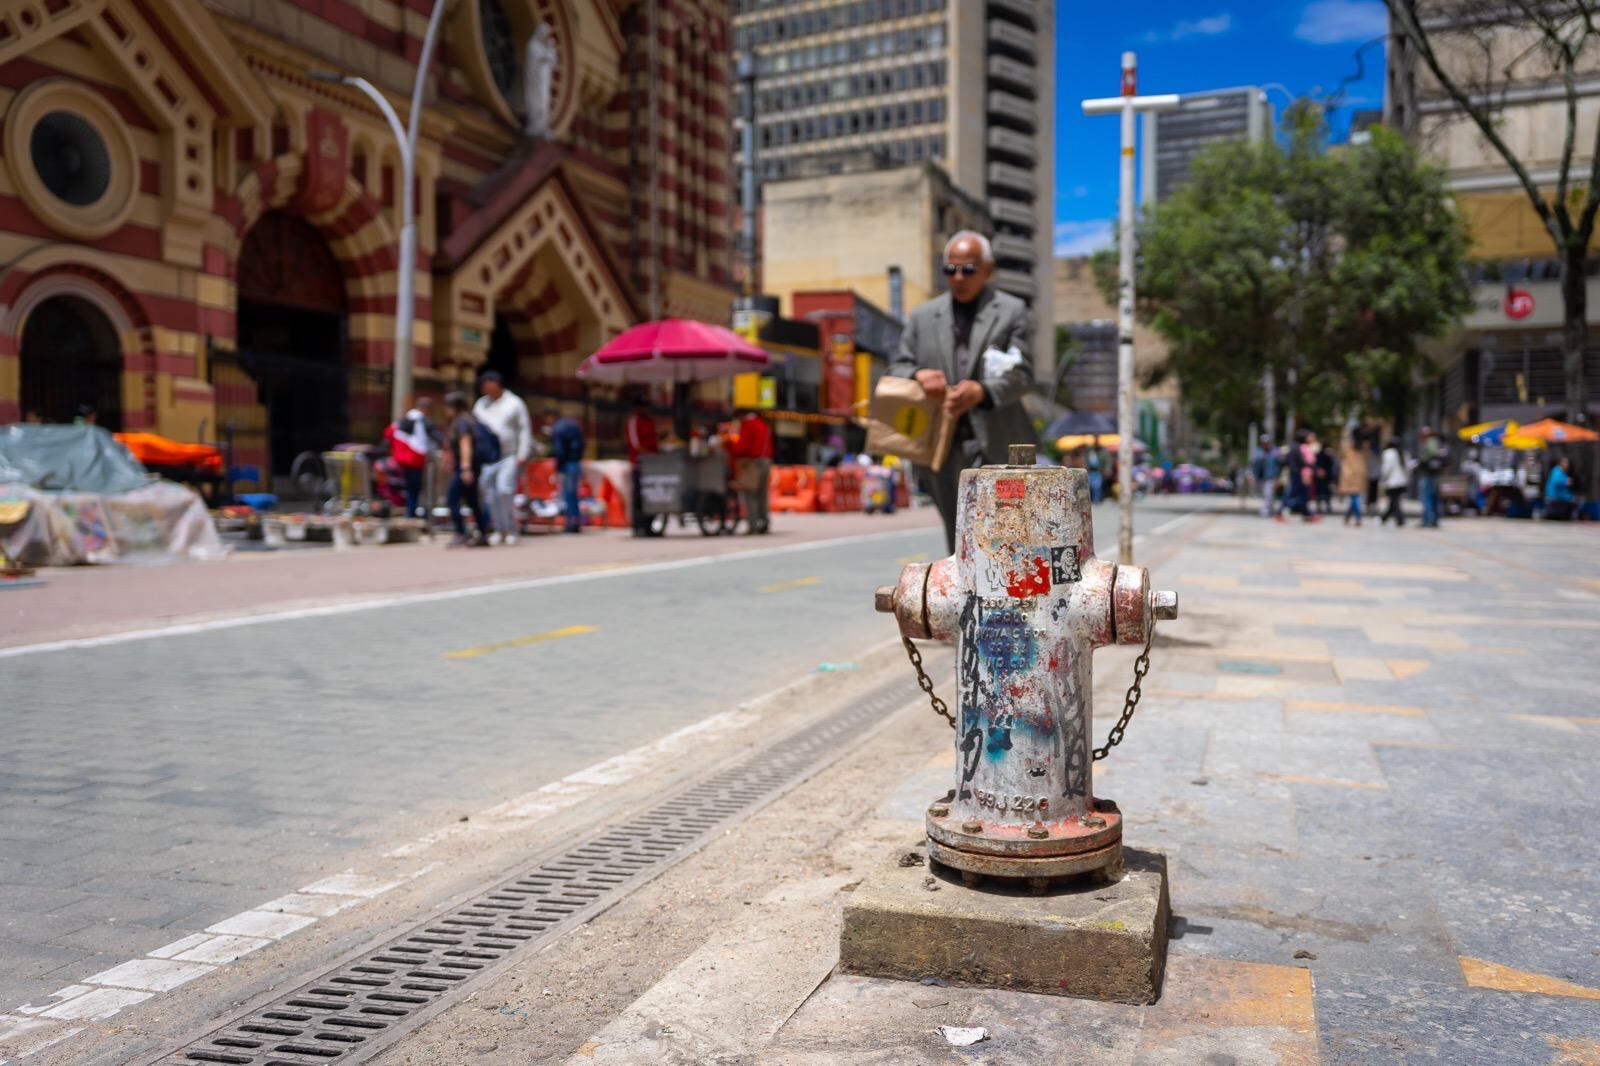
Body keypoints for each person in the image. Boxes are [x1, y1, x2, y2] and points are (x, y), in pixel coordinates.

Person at [886, 230, 1034, 552]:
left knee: (1004, 535)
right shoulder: (922, 316)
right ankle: (966, 599)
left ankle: (1001, 598)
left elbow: (1023, 374)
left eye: (967, 269)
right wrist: (918, 374)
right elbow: (896, 367)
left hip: (996, 442)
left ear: (988, 270)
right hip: (941, 445)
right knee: (958, 537)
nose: (958, 277)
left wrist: (982, 391)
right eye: (950, 270)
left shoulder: (1011, 310)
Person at [473, 371, 532, 544]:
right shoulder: (481, 404)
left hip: (508, 456)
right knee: (489, 494)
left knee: (504, 491)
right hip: (487, 458)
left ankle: (511, 528)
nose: (483, 387)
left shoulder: (514, 403)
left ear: (496, 383)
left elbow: (524, 429)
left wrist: (522, 453)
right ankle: (498, 529)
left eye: (486, 383)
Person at [443, 392, 490, 547]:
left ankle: (461, 532)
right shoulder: (469, 419)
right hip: (471, 467)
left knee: (452, 499)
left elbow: (465, 445)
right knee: (473, 501)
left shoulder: (462, 422)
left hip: (466, 468)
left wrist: (465, 468)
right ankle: (482, 533)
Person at [385, 396, 438, 519]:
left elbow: (389, 437)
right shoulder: (423, 419)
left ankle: (410, 513)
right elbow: (436, 436)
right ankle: (416, 515)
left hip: (403, 460)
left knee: (410, 489)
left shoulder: (404, 419)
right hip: (417, 460)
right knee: (419, 490)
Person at [730, 407, 773, 534]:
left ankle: (753, 525)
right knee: (763, 494)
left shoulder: (747, 425)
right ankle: (764, 521)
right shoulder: (763, 424)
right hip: (766, 460)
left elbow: (741, 447)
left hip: (753, 463)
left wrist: (732, 446)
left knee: (750, 494)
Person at [545, 407, 584, 533]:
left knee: (568, 495)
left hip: (566, 465)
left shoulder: (558, 428)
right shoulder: (573, 424)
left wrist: (557, 465)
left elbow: (559, 450)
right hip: (576, 462)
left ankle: (570, 523)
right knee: (574, 495)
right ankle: (576, 522)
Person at [625, 396, 659, 536]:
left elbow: (654, 440)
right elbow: (635, 444)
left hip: (652, 465)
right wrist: (648, 454)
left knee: (653, 495)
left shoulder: (650, 421)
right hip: (639, 464)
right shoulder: (634, 421)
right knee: (639, 496)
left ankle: (649, 526)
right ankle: (637, 526)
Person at [1337, 433, 1368, 526]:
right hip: (1353, 477)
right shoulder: (1353, 450)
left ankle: (1355, 517)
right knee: (1355, 498)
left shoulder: (1360, 450)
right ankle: (1354, 517)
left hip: (1354, 477)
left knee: (1355, 498)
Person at [1380, 438, 1411, 526]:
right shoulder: (1404, 453)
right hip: (1402, 481)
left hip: (1392, 482)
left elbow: (1386, 468)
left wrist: (1383, 479)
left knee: (1394, 500)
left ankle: (1400, 519)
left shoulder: (1389, 453)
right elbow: (1409, 468)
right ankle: (1384, 518)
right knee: (1394, 500)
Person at [1417, 426, 1443, 528]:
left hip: (1429, 474)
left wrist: (1422, 459)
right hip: (1434, 474)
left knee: (1427, 497)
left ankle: (1428, 519)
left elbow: (1431, 453)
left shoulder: (1431, 442)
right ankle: (1434, 519)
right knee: (1434, 497)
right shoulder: (1436, 442)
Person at [1253, 435, 1282, 518]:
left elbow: (1279, 465)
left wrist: (1278, 476)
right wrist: (1253, 474)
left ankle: (1265, 511)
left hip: (1271, 476)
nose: (1265, 444)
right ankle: (1269, 509)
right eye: (1263, 443)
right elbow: (1254, 464)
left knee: (1268, 493)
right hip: (1260, 476)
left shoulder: (1275, 451)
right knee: (1264, 494)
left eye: (1267, 443)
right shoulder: (1258, 451)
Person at [1544, 454, 1577, 521]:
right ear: (1560, 463)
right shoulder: (1557, 471)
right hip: (1555, 499)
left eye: (1567, 462)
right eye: (1565, 462)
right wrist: (1565, 481)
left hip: (1560, 499)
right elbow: (1556, 482)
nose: (1567, 464)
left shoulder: (1562, 473)